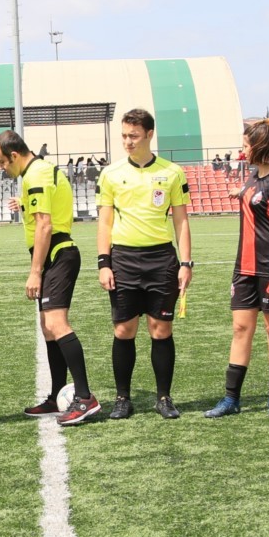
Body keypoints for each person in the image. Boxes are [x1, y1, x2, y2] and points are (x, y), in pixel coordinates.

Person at [0, 130, 100, 426]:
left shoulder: (36, 173)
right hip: (55, 253)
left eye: (3, 162)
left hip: (57, 253)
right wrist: (25, 204)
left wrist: (35, 271)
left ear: (14, 155)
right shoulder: (39, 172)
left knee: (56, 324)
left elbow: (45, 226)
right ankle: (57, 396)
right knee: (48, 327)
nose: (3, 168)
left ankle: (84, 397)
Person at [94, 108, 194, 419]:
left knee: (160, 329)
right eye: (124, 135)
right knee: (124, 329)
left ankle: (164, 397)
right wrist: (103, 263)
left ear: (149, 134)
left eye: (133, 136)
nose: (127, 141)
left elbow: (181, 221)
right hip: (123, 260)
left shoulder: (173, 172)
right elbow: (104, 223)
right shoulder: (110, 174)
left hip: (161, 259)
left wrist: (186, 263)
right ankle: (122, 397)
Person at [206, 120, 269, 417]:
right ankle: (231, 399)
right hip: (244, 268)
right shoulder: (253, 176)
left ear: (259, 146)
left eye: (246, 145)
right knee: (240, 329)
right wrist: (240, 192)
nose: (241, 150)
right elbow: (254, 194)